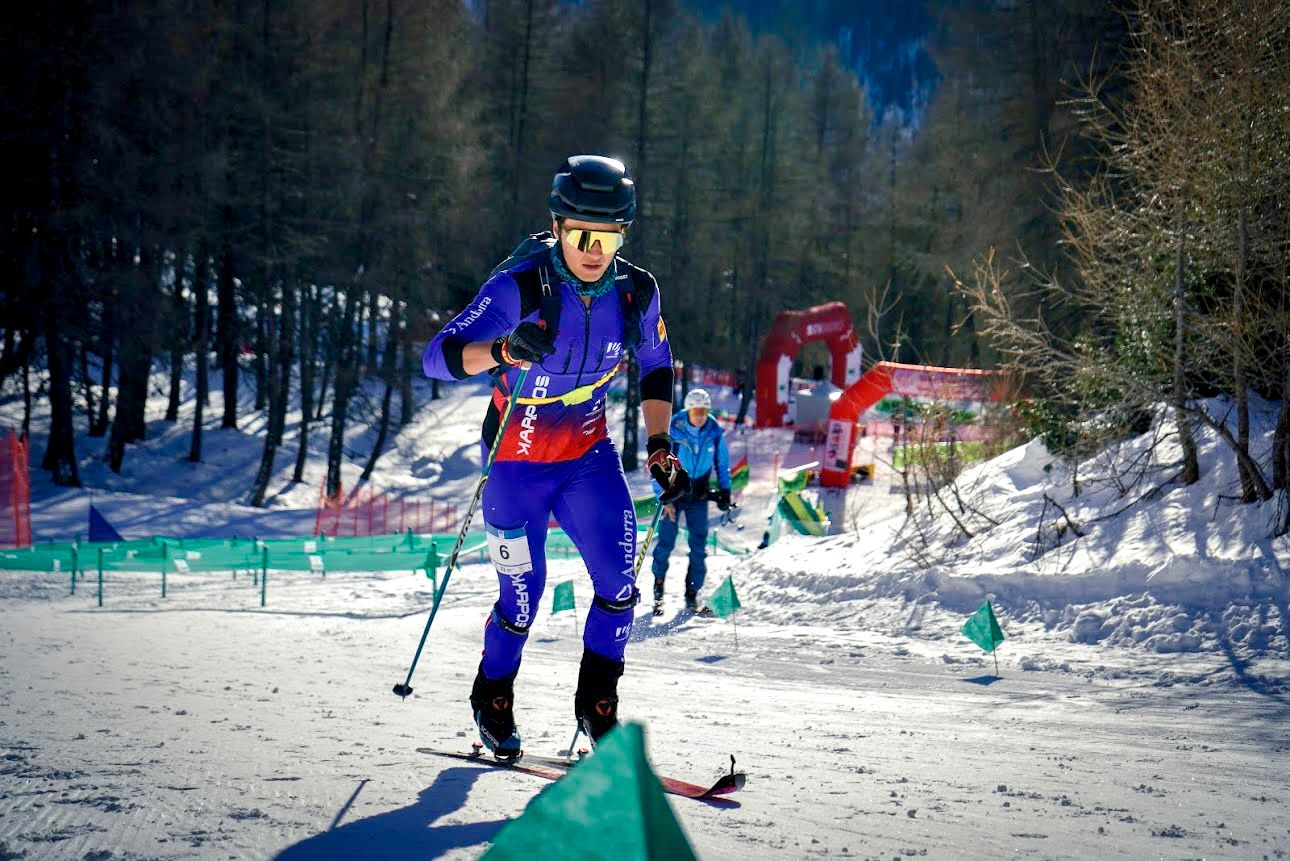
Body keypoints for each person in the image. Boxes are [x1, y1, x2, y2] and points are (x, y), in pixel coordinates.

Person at [421, 155, 690, 758]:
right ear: (559, 227)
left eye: (611, 236)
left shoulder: (635, 291)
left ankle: (598, 706)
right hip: (514, 461)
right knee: (523, 596)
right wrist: (502, 349)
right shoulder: (518, 287)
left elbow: (653, 363)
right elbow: (437, 356)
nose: (597, 250)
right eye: (583, 236)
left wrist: (659, 446)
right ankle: (492, 693)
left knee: (621, 585)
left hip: (586, 459)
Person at [650, 388, 731, 615]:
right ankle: (658, 592)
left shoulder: (714, 432)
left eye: (704, 411)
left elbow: (722, 463)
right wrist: (664, 500)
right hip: (673, 494)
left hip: (698, 495)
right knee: (665, 543)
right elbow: (656, 467)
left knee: (699, 546)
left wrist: (725, 492)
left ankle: (692, 595)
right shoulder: (673, 431)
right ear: (688, 410)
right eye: (696, 411)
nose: (700, 416)